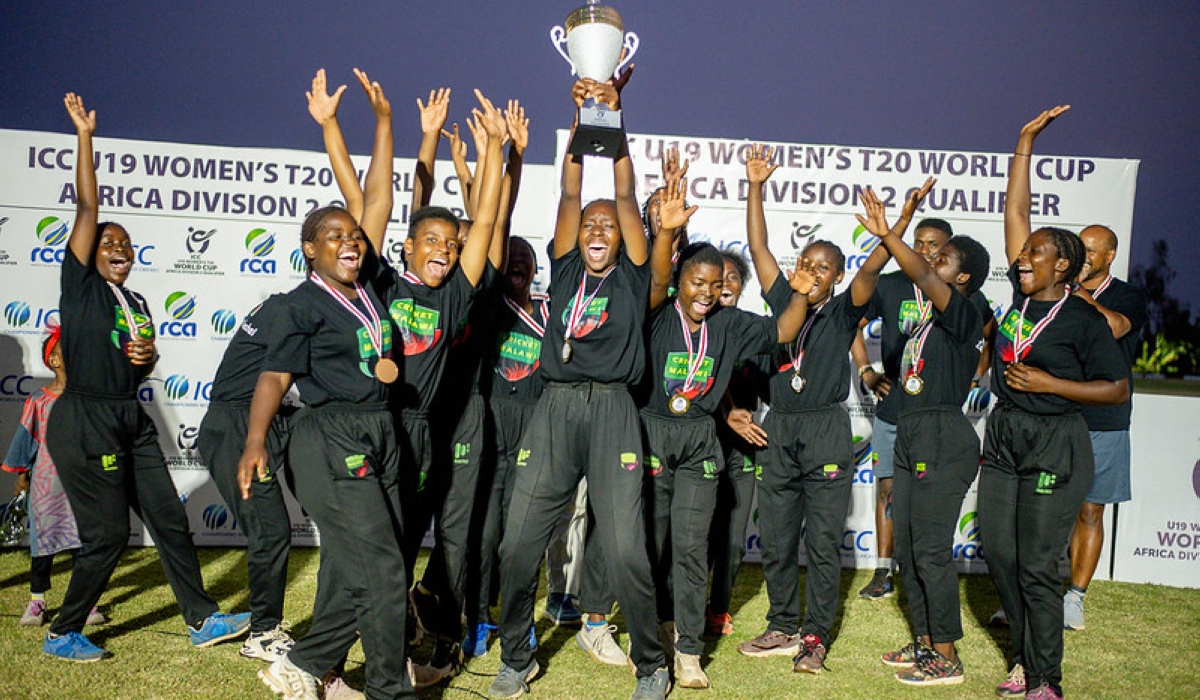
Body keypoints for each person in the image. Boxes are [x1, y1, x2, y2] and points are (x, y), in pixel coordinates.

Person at [43, 93, 249, 663]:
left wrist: (147, 356)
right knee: (108, 537)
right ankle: (63, 630)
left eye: (126, 247)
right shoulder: (80, 285)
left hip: (129, 417)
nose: (119, 251)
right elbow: (88, 209)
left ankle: (203, 619)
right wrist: (85, 137)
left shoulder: (133, 299)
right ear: (88, 254)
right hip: (84, 418)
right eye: (109, 244)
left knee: (168, 519)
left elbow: (142, 361)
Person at [488, 72, 671, 700]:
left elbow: (622, 193)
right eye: (590, 226)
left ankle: (652, 663)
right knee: (516, 547)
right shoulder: (565, 267)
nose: (597, 231)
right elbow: (572, 189)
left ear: (623, 236)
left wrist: (613, 118)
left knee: (625, 551)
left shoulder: (633, 276)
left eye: (609, 227)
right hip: (555, 407)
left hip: (616, 411)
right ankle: (518, 655)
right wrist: (577, 120)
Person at [642, 173, 814, 689]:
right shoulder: (656, 313)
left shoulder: (731, 324)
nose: (707, 293)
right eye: (698, 283)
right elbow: (653, 275)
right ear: (681, 282)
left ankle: (690, 651)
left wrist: (800, 294)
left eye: (716, 286)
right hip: (652, 432)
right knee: (651, 544)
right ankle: (656, 631)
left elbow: (783, 330)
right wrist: (666, 236)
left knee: (694, 548)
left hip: (699, 440)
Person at [981, 105, 1128, 700]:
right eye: (1023, 253)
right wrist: (1023, 142)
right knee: (999, 553)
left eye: (1034, 254)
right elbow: (1016, 212)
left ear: (1061, 265)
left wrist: (1053, 385)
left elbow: (1114, 388)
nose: (1022, 258)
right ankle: (1021, 656)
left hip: (1056, 441)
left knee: (1040, 567)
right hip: (1006, 435)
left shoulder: (1084, 321)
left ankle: (1045, 679)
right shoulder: (1022, 294)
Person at [735, 145, 879, 675]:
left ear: (836, 278)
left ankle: (814, 636)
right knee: (775, 538)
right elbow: (758, 244)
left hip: (825, 428)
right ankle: (781, 623)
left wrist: (886, 236)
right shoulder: (781, 301)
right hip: (781, 429)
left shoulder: (844, 311)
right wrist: (755, 186)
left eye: (824, 268)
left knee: (820, 542)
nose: (812, 272)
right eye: (807, 263)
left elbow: (869, 278)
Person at [855, 188, 991, 686]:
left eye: (946, 257)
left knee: (931, 551)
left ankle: (947, 657)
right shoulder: (930, 321)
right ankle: (924, 642)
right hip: (912, 429)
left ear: (964, 277)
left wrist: (890, 233)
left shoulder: (963, 313)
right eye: (933, 252)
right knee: (909, 549)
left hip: (941, 434)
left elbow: (924, 275)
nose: (935, 259)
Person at [1063, 224, 1148, 631]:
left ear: (1110, 255)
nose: (1084, 255)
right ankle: (1030, 595)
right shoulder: (1055, 291)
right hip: (1056, 412)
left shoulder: (1128, 295)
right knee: (1043, 511)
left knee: (1090, 510)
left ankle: (1075, 598)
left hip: (1104, 417)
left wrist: (1078, 293)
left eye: (1092, 250)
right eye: (1079, 248)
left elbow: (1114, 328)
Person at [3, 324, 105, 629]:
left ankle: (85, 603)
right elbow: (25, 440)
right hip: (46, 488)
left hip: (81, 487)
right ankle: (37, 601)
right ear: (55, 360)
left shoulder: (88, 400)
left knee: (82, 546)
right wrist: (22, 475)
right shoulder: (38, 401)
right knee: (42, 546)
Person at [705, 250, 769, 639]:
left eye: (733, 278)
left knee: (731, 540)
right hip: (702, 439)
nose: (726, 284)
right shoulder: (693, 327)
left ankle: (719, 609)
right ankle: (685, 608)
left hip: (742, 444)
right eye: (719, 277)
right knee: (696, 535)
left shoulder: (752, 331)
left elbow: (769, 385)